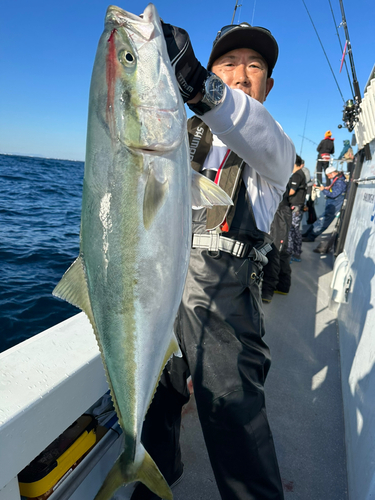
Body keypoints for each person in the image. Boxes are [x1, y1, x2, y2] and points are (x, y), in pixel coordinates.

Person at [131, 20, 295, 500]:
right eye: (229, 63)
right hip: (162, 290)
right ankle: (158, 475)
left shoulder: (273, 145)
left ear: (268, 83)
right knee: (157, 408)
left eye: (255, 66)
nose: (242, 74)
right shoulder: (177, 133)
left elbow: (249, 124)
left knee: (236, 429)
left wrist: (203, 84)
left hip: (224, 300)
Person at [261, 187, 293, 303]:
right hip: (281, 212)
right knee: (280, 250)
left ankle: (267, 291)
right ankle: (282, 285)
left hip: (278, 213)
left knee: (275, 251)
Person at [302, 165, 347, 242]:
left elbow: (334, 194)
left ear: (332, 173)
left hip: (334, 206)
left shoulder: (339, 182)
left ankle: (311, 237)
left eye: (328, 176)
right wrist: (327, 188)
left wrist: (323, 190)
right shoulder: (338, 180)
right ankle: (308, 233)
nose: (328, 177)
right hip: (332, 205)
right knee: (320, 220)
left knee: (323, 222)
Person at [287, 155, 307, 262]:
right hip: (299, 205)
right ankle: (297, 252)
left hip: (294, 206)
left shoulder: (297, 175)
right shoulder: (301, 174)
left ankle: (289, 255)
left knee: (291, 230)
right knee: (296, 230)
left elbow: (292, 191)